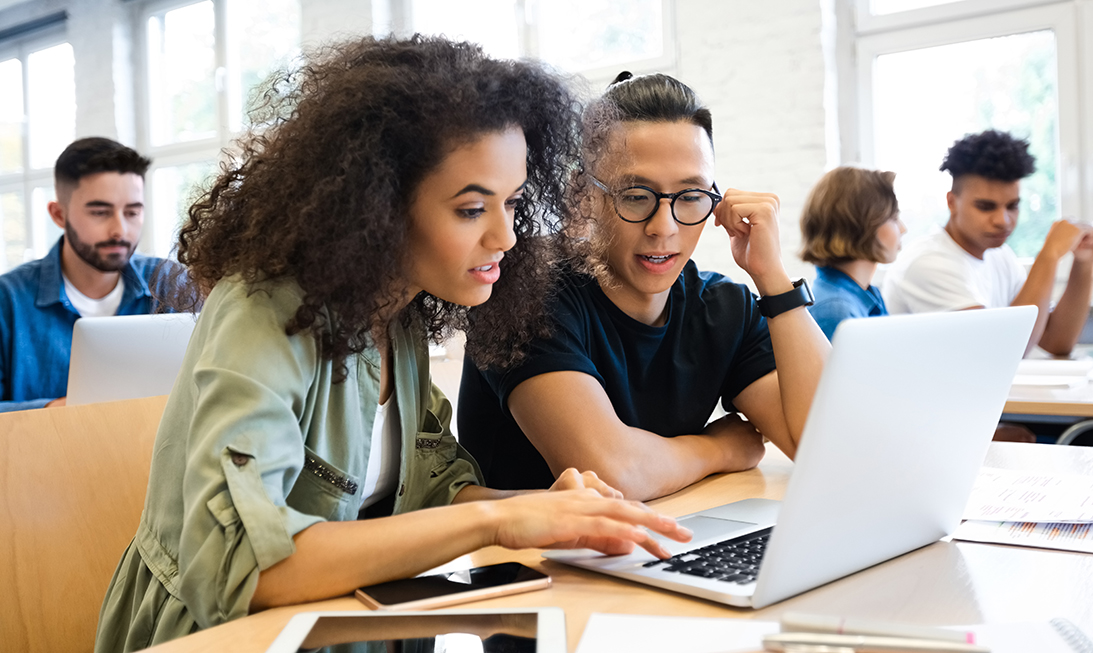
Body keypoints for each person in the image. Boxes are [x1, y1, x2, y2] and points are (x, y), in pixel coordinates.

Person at [94, 37, 690, 653]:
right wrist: (501, 521)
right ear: (378, 205)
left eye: (511, 203)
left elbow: (432, 486)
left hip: (358, 629)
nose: (507, 237)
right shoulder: (263, 311)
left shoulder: (397, 311)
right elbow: (247, 567)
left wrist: (545, 508)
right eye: (470, 209)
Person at [456, 72, 831, 501]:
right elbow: (612, 474)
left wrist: (772, 278)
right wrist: (720, 448)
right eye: (635, 196)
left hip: (666, 544)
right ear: (583, 196)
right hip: (531, 563)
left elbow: (829, 447)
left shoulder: (725, 308)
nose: (663, 228)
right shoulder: (523, 293)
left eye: (690, 196)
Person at [882, 129, 1093, 356]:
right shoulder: (928, 263)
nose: (1003, 221)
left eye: (1012, 206)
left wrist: (1083, 265)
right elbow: (1003, 351)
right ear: (952, 202)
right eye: (985, 207)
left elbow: (1055, 341)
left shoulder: (1000, 255)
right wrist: (1049, 254)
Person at [0, 137, 179, 412]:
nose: (120, 229)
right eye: (100, 212)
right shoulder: (8, 299)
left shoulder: (171, 284)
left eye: (132, 212)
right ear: (59, 214)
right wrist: (54, 411)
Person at [799, 166, 905, 340]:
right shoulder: (836, 310)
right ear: (862, 224)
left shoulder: (865, 294)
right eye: (893, 218)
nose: (903, 229)